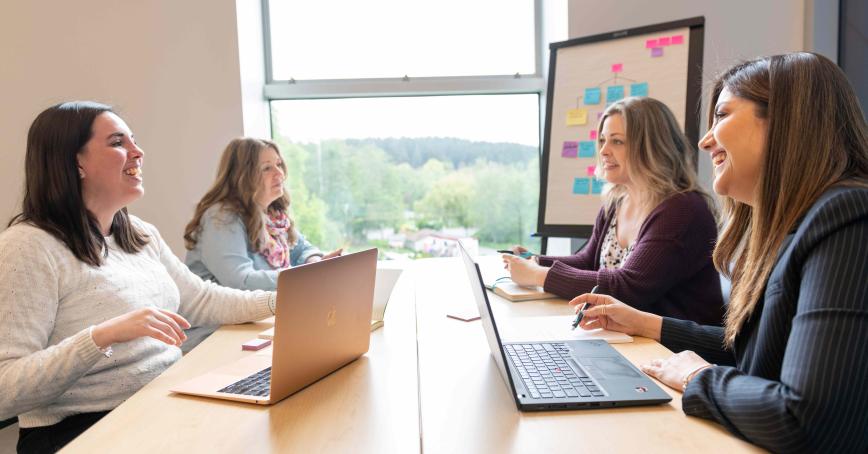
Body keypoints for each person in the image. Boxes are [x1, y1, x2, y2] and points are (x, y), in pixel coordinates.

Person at [571, 52, 868, 452]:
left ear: (785, 123)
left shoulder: (846, 218)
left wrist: (699, 378)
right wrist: (646, 324)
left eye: (723, 115)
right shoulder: (800, 225)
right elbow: (759, 350)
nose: (704, 139)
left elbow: (806, 418)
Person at [0, 102, 278, 453]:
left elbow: (203, 299)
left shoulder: (136, 232)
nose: (138, 152)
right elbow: (5, 389)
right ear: (75, 162)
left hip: (160, 404)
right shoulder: (27, 248)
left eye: (134, 140)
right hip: (82, 431)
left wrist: (281, 301)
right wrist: (103, 336)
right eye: (118, 143)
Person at [504, 96, 723, 325]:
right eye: (602, 140)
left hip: (677, 353)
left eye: (617, 141)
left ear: (652, 146)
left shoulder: (683, 210)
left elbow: (628, 287)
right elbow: (588, 261)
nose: (604, 151)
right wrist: (534, 260)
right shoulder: (617, 200)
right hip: (629, 338)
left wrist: (538, 275)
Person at [183, 137, 340, 292]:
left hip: (259, 312)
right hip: (226, 316)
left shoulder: (273, 216)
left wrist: (314, 261)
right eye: (266, 168)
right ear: (242, 176)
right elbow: (241, 281)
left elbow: (301, 249)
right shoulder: (222, 217)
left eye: (278, 164)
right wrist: (304, 276)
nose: (280, 173)